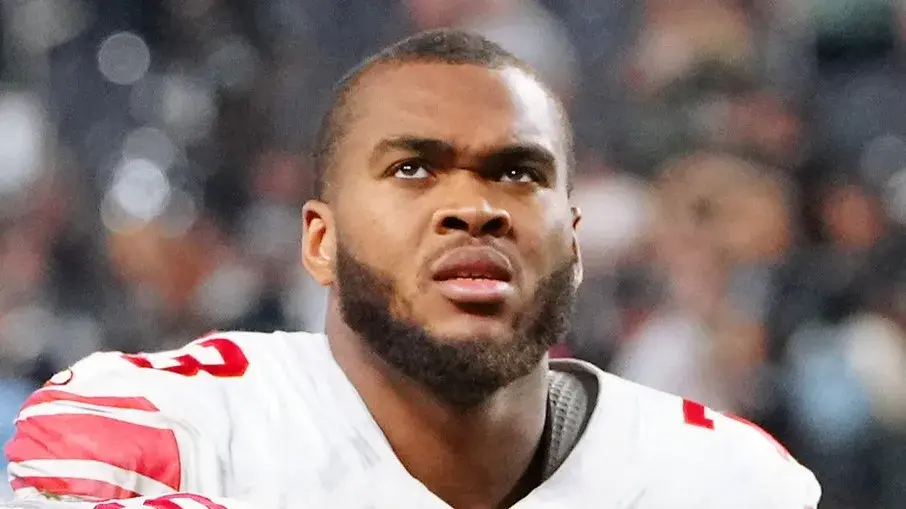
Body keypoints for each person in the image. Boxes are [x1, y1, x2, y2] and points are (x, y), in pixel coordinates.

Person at [3, 29, 821, 509]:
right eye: (412, 170)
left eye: (518, 172)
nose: (474, 207)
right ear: (318, 240)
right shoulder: (152, 439)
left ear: (574, 244)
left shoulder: (730, 485)